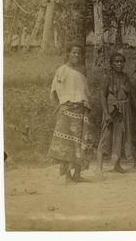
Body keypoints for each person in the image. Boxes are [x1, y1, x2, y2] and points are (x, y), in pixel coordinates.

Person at [48, 45, 93, 183]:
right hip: (67, 111)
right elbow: (55, 91)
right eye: (73, 52)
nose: (76, 55)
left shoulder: (82, 71)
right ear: (68, 54)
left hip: (81, 110)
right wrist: (61, 107)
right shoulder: (62, 70)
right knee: (66, 144)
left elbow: (85, 92)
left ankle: (77, 174)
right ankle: (67, 176)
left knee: (81, 143)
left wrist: (86, 106)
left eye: (79, 53)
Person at [97, 52, 133, 174]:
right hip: (111, 107)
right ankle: (99, 167)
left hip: (124, 108)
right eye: (116, 61)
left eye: (121, 61)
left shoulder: (126, 76)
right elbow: (102, 95)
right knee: (106, 135)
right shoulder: (107, 77)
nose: (119, 64)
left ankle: (116, 165)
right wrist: (106, 113)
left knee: (120, 135)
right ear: (111, 64)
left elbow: (129, 92)